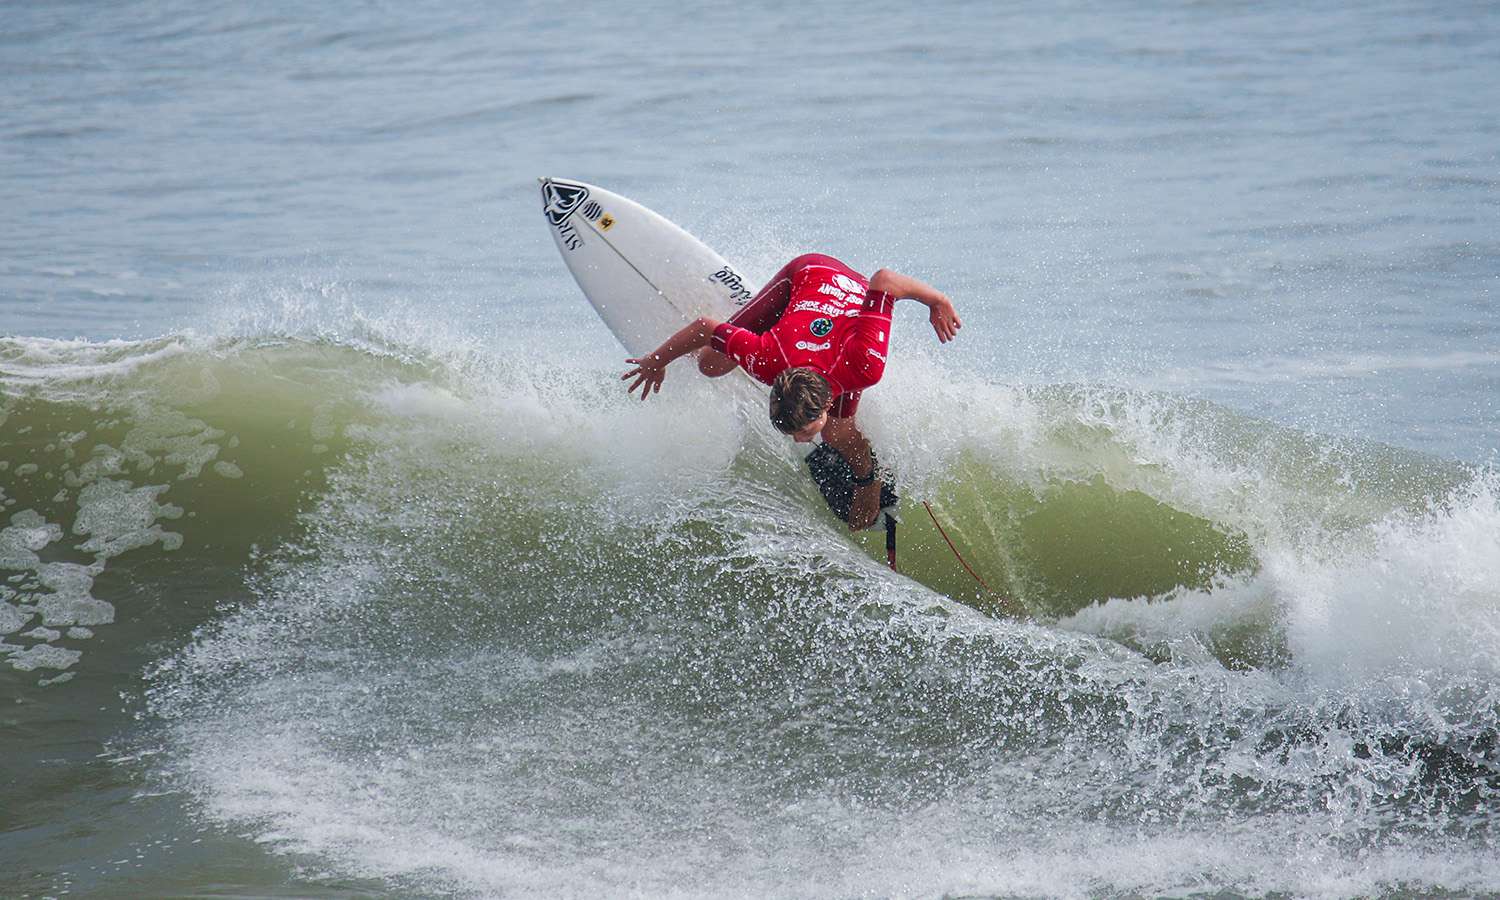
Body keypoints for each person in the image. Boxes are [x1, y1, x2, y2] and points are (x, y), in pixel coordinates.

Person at [621, 253, 961, 530]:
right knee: (710, 364)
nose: (800, 440)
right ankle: (775, 316)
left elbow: (885, 281)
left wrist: (937, 301)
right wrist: (655, 361)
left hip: (836, 289)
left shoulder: (864, 364)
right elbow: (705, 328)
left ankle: (869, 481)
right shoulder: (766, 357)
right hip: (810, 294)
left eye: (803, 431)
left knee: (839, 432)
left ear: (827, 401)